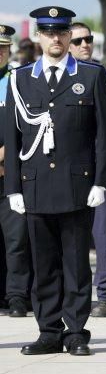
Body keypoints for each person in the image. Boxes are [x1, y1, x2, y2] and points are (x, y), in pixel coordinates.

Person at [5, 6, 106, 355]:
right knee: (44, 263)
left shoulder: (91, 75)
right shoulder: (21, 78)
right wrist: (12, 188)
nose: (56, 38)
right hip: (36, 184)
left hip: (76, 183)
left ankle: (76, 330)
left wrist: (101, 181)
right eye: (49, 32)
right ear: (38, 37)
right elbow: (12, 135)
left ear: (69, 36)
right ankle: (48, 330)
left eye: (62, 32)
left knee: (76, 262)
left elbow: (103, 135)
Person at [70, 22, 106, 318]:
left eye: (88, 39)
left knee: (104, 236)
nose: (84, 45)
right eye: (77, 40)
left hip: (98, 165)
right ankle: (71, 294)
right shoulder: (55, 77)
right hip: (68, 167)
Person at [0, 24, 31, 317]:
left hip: (11, 170)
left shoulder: (18, 80)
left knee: (17, 239)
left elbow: (28, 124)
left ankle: (18, 296)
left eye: (2, 48)